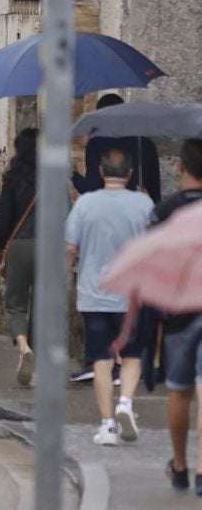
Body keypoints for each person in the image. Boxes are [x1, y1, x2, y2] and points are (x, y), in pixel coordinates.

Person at [66, 146, 154, 445]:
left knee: (101, 360)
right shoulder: (143, 204)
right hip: (132, 295)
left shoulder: (86, 204)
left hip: (94, 293)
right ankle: (125, 402)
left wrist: (72, 266)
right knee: (131, 356)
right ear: (129, 174)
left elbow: (70, 248)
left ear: (102, 172)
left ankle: (107, 426)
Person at [152, 138, 202, 489]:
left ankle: (181, 466)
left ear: (180, 167)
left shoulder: (164, 210)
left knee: (180, 390)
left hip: (179, 310)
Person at [0, 127, 40, 387]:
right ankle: (39, 362)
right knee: (42, 306)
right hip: (49, 246)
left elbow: (4, 221)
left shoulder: (12, 179)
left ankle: (23, 346)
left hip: (20, 246)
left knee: (15, 303)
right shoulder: (53, 178)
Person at [75, 93, 162, 202]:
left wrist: (74, 176)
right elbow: (155, 193)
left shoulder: (96, 144)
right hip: (137, 209)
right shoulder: (145, 144)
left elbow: (92, 188)